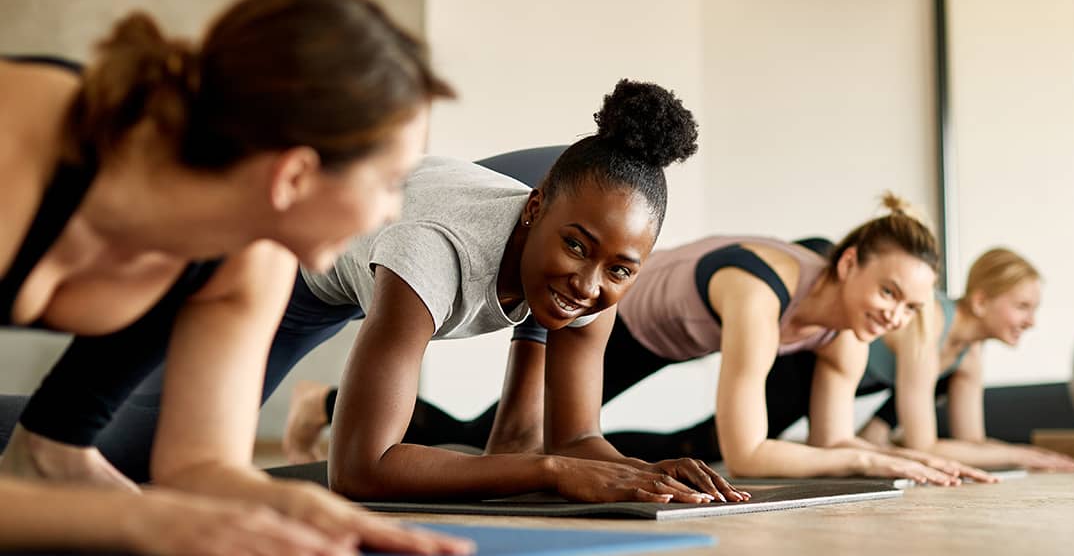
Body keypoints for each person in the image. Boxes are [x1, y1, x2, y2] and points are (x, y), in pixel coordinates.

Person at [13, 81, 747, 505]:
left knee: (565, 292)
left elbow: (575, 436)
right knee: (126, 448)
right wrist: (553, 469)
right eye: (580, 247)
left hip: (488, 203)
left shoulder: (596, 271)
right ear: (536, 206)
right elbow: (362, 467)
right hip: (312, 270)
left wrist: (639, 474)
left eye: (620, 268)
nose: (591, 284)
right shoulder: (433, 255)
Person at [0, 0, 472, 556]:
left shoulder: (255, 252)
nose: (391, 211)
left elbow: (198, 466)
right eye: (387, 183)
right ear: (294, 176)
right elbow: (151, 513)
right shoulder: (14, 154)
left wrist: (296, 505)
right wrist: (133, 521)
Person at [295, 198, 991, 485]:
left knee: (666, 444)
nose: (897, 317)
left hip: (679, 340)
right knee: (502, 437)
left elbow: (832, 444)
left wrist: (891, 460)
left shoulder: (840, 333)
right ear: (848, 264)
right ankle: (328, 404)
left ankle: (333, 405)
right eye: (890, 294)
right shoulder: (760, 289)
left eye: (913, 307)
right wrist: (862, 463)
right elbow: (749, 451)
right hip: (623, 317)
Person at [853, 248, 1074, 472]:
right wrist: (1017, 455)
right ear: (980, 302)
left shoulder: (969, 351)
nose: (1031, 322)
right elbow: (923, 447)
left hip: (871, 384)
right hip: (824, 378)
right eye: (1022, 306)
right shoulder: (933, 320)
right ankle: (873, 437)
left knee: (940, 376)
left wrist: (1032, 454)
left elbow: (971, 442)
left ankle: (874, 435)